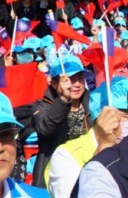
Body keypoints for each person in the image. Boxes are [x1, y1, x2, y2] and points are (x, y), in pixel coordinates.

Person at [23, 56, 90, 184]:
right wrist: (64, 100)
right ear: (54, 84)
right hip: (54, 176)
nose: (76, 84)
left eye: (80, 78)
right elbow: (45, 128)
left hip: (87, 175)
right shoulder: (41, 106)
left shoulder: (93, 102)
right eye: (70, 80)